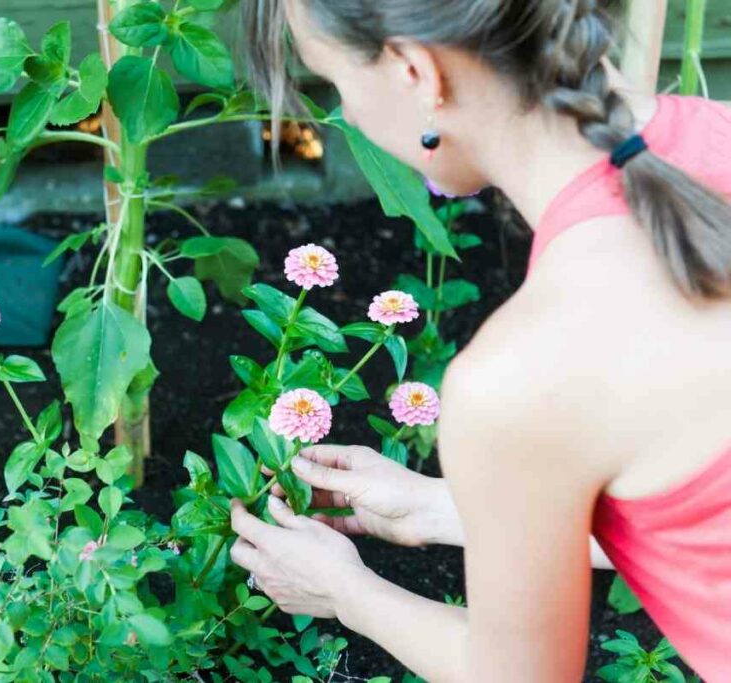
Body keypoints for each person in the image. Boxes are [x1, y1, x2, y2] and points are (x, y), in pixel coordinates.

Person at [227, 1, 731, 681]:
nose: (348, 112)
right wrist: (445, 508)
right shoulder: (716, 133)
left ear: (415, 70)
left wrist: (346, 591)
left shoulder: (521, 378)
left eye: (335, 82)